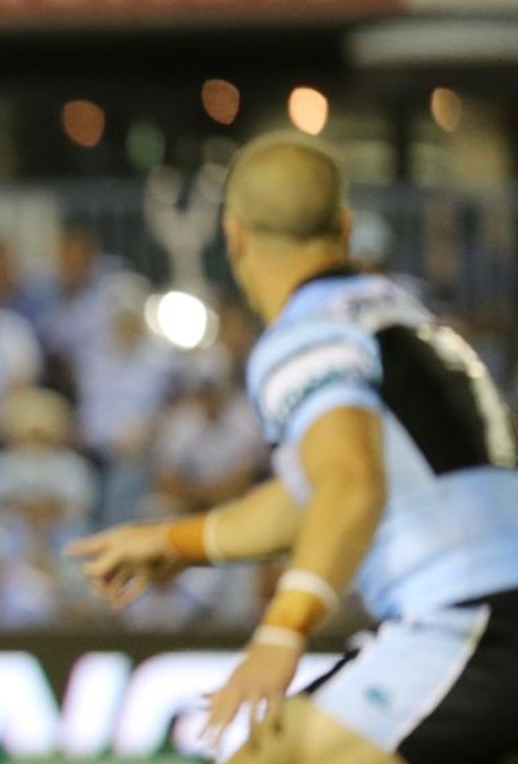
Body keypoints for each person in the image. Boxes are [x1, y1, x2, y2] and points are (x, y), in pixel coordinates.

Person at [67, 133, 518, 764]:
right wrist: (177, 543)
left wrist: (282, 628)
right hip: (487, 619)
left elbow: (350, 485)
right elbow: (315, 495)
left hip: (473, 623)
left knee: (277, 755)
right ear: (345, 226)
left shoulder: (307, 337)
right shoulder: (402, 317)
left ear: (233, 235)